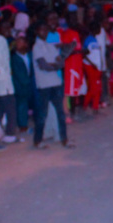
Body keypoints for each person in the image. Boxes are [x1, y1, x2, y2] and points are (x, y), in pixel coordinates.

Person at [32, 21, 74, 149]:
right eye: (41, 30)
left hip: (55, 83)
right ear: (37, 32)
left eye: (46, 30)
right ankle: (38, 140)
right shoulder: (36, 47)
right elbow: (44, 66)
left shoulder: (49, 45)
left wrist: (53, 65)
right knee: (42, 114)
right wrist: (55, 65)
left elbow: (58, 63)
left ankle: (64, 139)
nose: (44, 33)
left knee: (60, 113)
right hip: (44, 85)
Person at [0, 19, 19, 140]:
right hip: (3, 78)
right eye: (5, 27)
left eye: (9, 27)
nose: (8, 30)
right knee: (10, 106)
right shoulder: (0, 40)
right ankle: (10, 134)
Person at [11, 34, 36, 134]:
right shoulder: (15, 58)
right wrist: (29, 83)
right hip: (21, 86)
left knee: (29, 105)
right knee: (22, 105)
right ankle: (22, 126)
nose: (18, 44)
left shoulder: (29, 54)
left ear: (26, 44)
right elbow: (20, 75)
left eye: (21, 42)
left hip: (30, 84)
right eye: (17, 42)